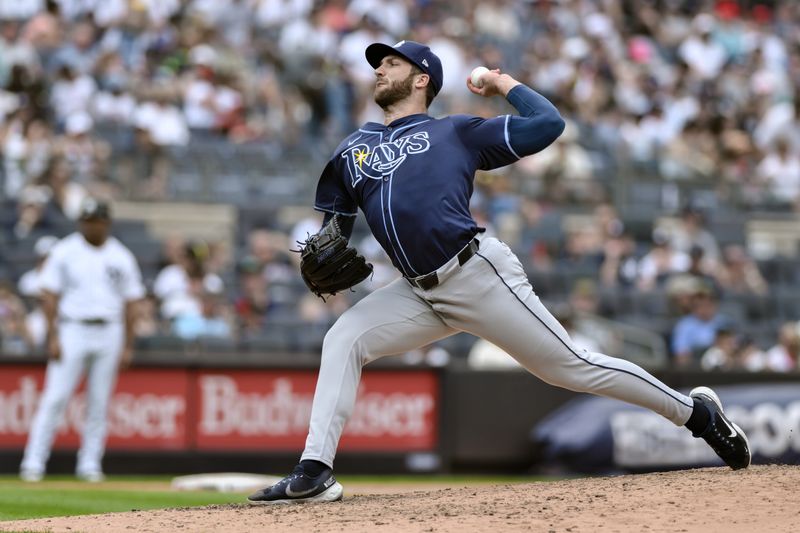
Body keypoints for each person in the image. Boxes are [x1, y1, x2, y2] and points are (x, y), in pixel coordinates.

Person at [247, 41, 751, 505]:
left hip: (476, 273)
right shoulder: (352, 149)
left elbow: (548, 123)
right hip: (415, 292)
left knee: (568, 366)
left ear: (422, 78)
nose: (379, 69)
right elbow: (334, 226)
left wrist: (501, 82)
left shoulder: (456, 131)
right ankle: (314, 472)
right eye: (378, 64)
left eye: (392, 63)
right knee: (343, 339)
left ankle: (697, 414)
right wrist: (321, 248)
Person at [19, 198, 145, 482]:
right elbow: (48, 295)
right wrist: (52, 336)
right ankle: (33, 463)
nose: (91, 225)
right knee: (54, 398)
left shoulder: (121, 256)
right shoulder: (65, 250)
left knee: (99, 402)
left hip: (109, 330)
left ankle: (89, 464)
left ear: (107, 223)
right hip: (72, 328)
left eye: (96, 220)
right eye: (87, 220)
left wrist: (127, 344)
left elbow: (132, 303)